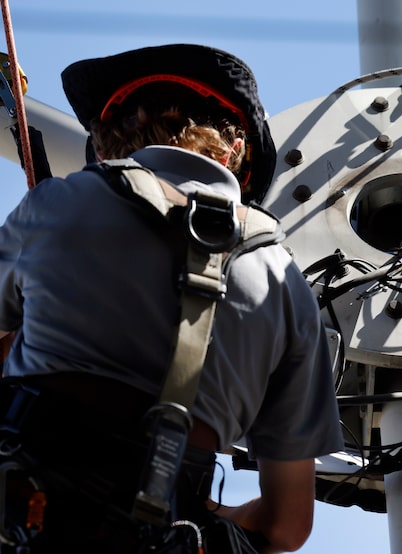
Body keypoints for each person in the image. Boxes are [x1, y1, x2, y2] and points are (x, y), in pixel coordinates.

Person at [0, 44, 343, 552]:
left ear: (105, 142)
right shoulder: (285, 285)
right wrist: (184, 514)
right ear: (234, 153)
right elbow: (286, 526)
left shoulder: (56, 204)